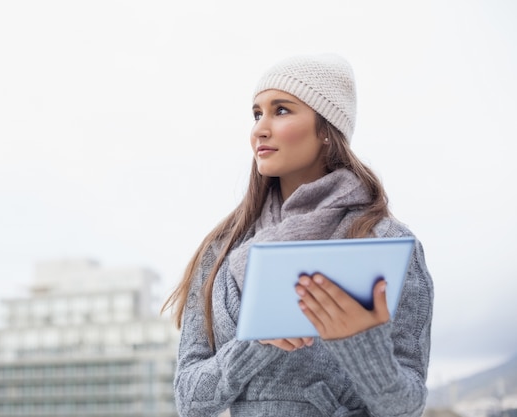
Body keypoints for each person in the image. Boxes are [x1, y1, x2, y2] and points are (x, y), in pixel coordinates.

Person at [162, 54, 434, 417]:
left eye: (282, 110)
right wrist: (255, 342)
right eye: (257, 114)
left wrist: (360, 345)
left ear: (326, 129)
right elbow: (189, 400)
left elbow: (407, 407)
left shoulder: (384, 242)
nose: (260, 128)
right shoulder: (223, 248)